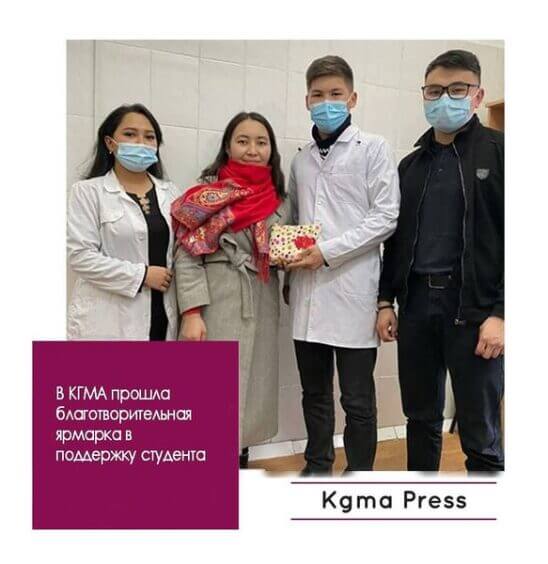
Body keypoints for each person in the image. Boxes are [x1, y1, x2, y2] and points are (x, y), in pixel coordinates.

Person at [376, 50, 504, 472]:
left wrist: (502, 313)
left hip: (475, 310)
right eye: (435, 90)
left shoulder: (502, 153)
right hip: (416, 307)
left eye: (457, 89)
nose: (444, 98)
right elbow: (395, 241)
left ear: (477, 95)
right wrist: (385, 301)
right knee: (420, 418)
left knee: (480, 431)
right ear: (424, 95)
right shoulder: (409, 166)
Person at [285, 56, 400, 474]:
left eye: (336, 94)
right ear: (306, 100)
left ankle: (359, 474)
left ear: (352, 98)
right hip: (308, 292)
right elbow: (295, 220)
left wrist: (327, 251)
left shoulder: (374, 148)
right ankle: (317, 465)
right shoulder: (300, 160)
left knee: (357, 399)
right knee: (314, 393)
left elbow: (386, 217)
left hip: (354, 292)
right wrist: (286, 259)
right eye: (318, 95)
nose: (326, 102)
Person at [172, 112, 290, 468]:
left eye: (261, 142)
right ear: (227, 146)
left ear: (271, 150)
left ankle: (239, 463)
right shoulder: (205, 195)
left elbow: (284, 251)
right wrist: (192, 312)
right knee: (207, 394)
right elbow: (186, 256)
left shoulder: (281, 200)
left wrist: (292, 259)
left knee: (249, 395)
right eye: (243, 141)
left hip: (261, 300)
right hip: (216, 301)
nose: (252, 149)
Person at [67, 104, 180, 340]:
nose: (141, 143)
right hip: (108, 320)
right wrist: (142, 275)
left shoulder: (171, 193)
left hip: (162, 315)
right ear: (110, 143)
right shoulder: (87, 191)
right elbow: (80, 256)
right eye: (130, 134)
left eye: (149, 137)